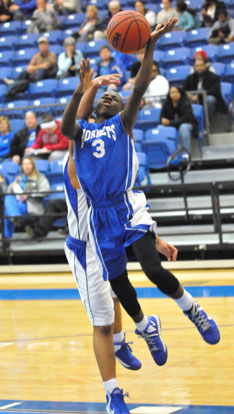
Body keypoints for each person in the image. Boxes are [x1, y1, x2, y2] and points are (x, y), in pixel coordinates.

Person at [62, 17, 220, 383]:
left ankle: (193, 310)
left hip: (126, 206)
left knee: (151, 269)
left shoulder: (123, 124)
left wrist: (149, 45)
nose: (110, 96)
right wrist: (80, 90)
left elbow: (140, 85)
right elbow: (70, 124)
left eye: (115, 96)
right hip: (100, 219)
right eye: (105, 95)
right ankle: (145, 327)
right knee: (120, 287)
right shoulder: (82, 134)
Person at [3, 157, 50, 245]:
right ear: (22, 167)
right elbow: (9, 192)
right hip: (19, 204)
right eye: (24, 164)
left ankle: (7, 238)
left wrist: (28, 195)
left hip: (31, 205)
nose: (27, 166)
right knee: (8, 198)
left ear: (33, 165)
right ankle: (15, 217)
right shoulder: (18, 178)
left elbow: (46, 191)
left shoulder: (40, 177)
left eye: (29, 163)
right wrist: (12, 186)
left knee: (7, 212)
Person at [160, 85, 198, 152]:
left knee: (183, 127)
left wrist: (170, 122)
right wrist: (162, 120)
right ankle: (167, 153)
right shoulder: (166, 104)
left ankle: (186, 153)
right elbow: (162, 117)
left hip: (187, 124)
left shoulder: (186, 103)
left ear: (180, 93)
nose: (174, 94)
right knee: (160, 127)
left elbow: (186, 119)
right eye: (172, 92)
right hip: (171, 125)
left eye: (176, 92)